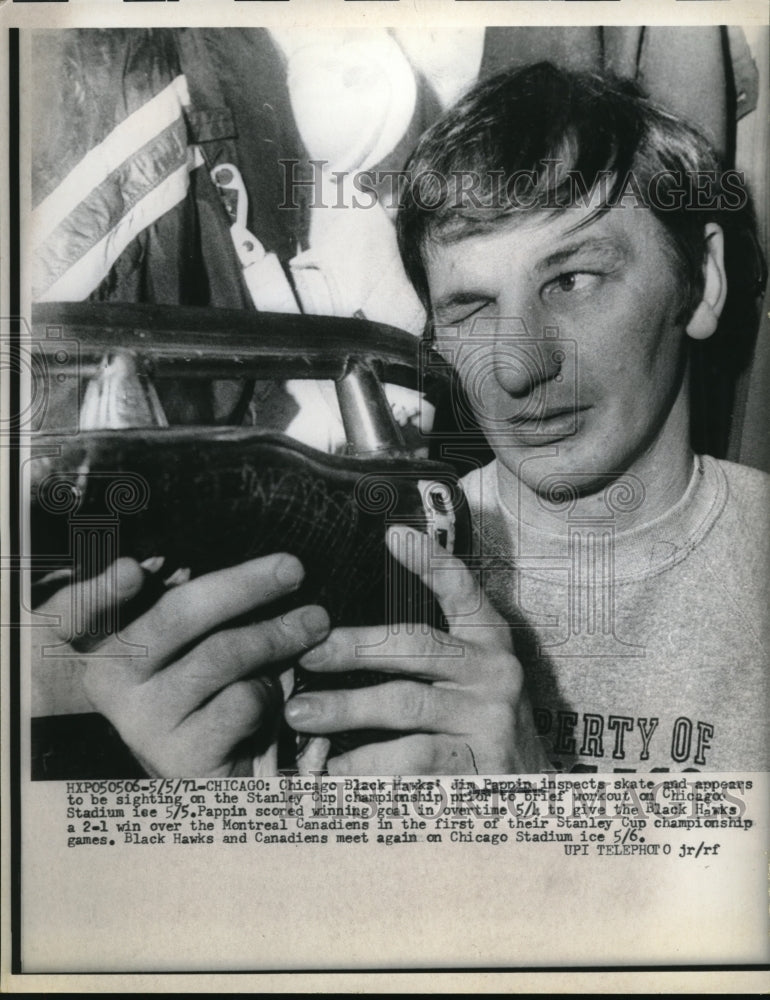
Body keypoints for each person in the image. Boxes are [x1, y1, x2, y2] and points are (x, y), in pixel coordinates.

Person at [32, 62, 769, 776]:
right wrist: (234, 811)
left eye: (573, 280)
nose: (516, 368)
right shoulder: (339, 569)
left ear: (700, 281)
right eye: (471, 308)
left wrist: (527, 814)